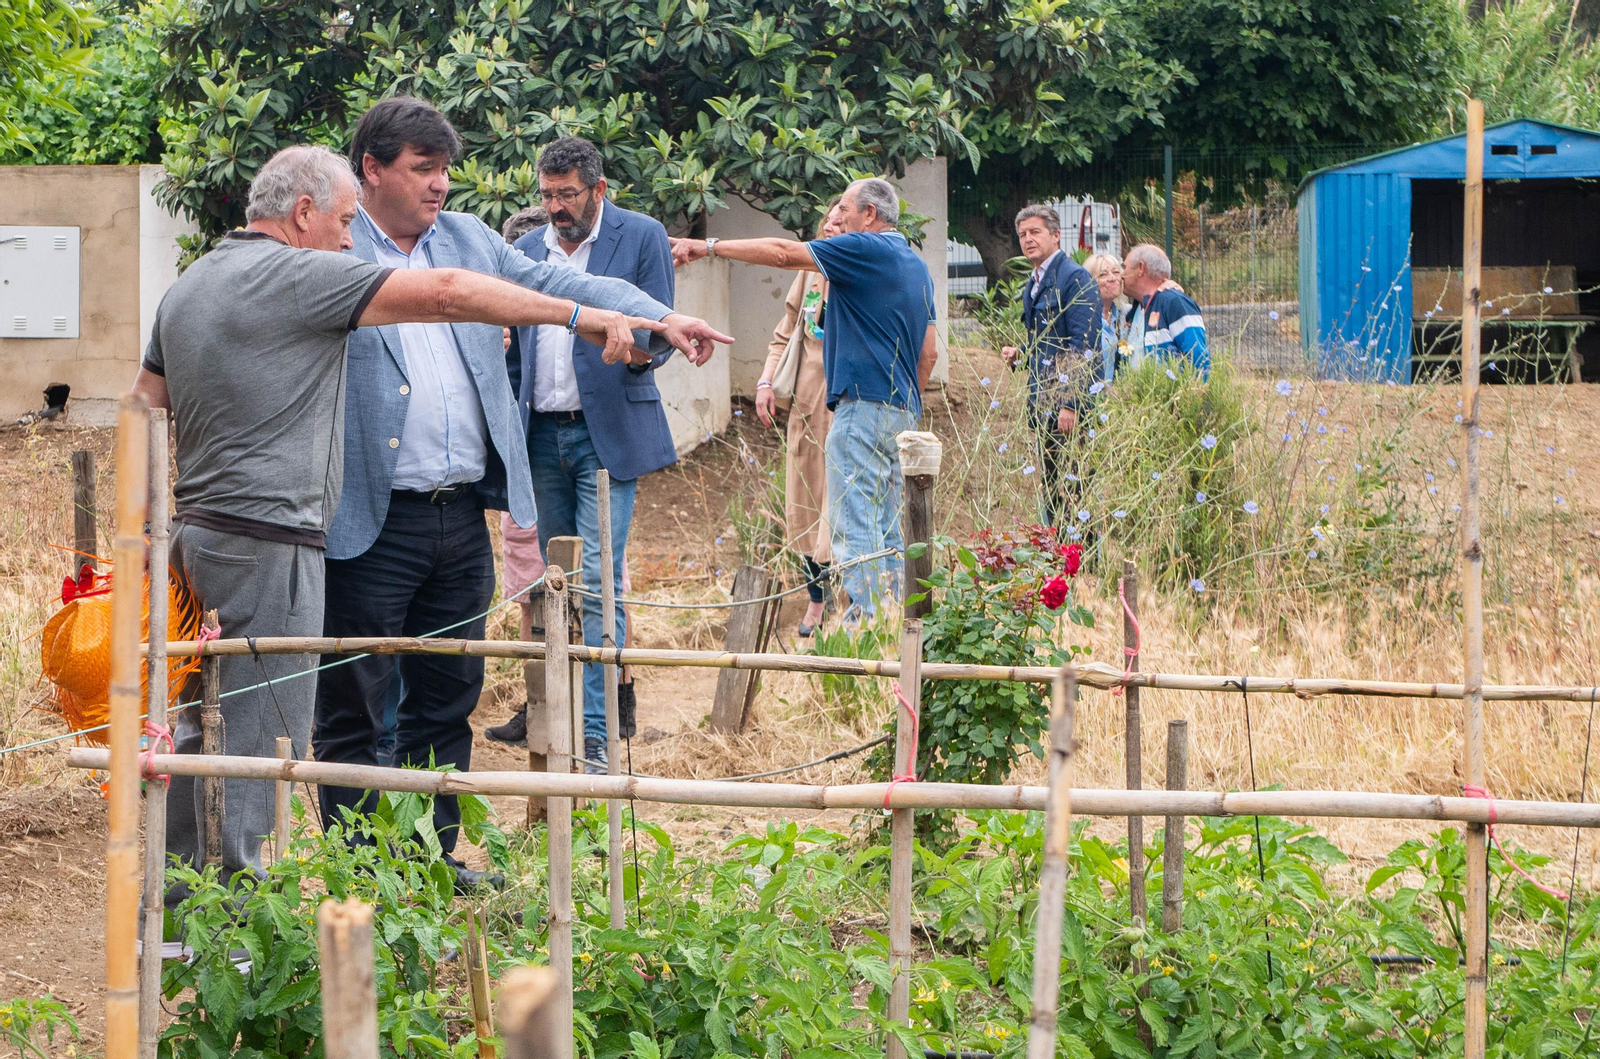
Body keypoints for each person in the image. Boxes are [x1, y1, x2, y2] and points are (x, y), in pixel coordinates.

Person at [130, 144, 693, 893]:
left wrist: (139, 529)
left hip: (196, 535)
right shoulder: (300, 274)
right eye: (337, 222)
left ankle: (177, 899)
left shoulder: (191, 283)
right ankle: (233, 915)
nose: (344, 237)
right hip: (273, 539)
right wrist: (584, 317)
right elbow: (452, 292)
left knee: (205, 713)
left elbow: (143, 405)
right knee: (264, 732)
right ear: (302, 214)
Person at [311, 100, 732, 891]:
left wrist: (660, 314)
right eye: (420, 170)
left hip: (463, 511)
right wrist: (589, 313)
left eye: (444, 171)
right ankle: (364, 879)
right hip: (369, 512)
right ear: (371, 168)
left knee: (447, 693)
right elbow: (435, 300)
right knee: (359, 701)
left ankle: (431, 864)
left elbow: (558, 278)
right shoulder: (335, 244)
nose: (439, 186)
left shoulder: (470, 236)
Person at [490, 137, 690, 774]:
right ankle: (560, 721)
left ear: (598, 190)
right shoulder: (524, 250)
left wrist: (630, 349)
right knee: (557, 588)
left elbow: (658, 336)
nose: (555, 207)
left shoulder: (643, 236)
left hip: (606, 434)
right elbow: (517, 351)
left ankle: (598, 738)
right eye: (547, 195)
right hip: (541, 434)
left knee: (601, 581)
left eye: (567, 194)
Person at [672, 177, 938, 623]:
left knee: (855, 530)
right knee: (890, 529)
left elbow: (782, 253)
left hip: (860, 409)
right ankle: (899, 631)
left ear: (869, 215)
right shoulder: (914, 265)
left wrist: (709, 247)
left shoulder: (863, 249)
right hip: (901, 411)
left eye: (845, 211)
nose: (838, 219)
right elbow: (928, 353)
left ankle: (866, 633)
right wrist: (903, 402)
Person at [755, 198, 842, 636]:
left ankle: (850, 599)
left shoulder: (862, 273)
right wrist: (765, 383)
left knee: (843, 506)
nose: (830, 227)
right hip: (806, 409)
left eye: (839, 222)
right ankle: (815, 599)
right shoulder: (810, 272)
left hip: (849, 407)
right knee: (804, 504)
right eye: (826, 220)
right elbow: (784, 333)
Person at [999, 205, 1100, 527]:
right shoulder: (1036, 279)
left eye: (1035, 232)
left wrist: (1070, 404)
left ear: (1056, 235)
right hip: (1043, 406)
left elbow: (1083, 345)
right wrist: (1023, 353)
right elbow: (1049, 339)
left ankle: (1086, 572)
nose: (1028, 240)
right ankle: (1061, 569)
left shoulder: (1074, 277)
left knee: (1074, 495)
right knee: (1055, 495)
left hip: (1067, 410)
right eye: (1022, 235)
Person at [1120, 243, 1209, 378]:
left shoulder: (1174, 302)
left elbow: (1198, 358)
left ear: (1140, 268)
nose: (1121, 275)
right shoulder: (1136, 309)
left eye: (1124, 267)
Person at [1083, 252, 1131, 387]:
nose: (1112, 278)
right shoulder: (1083, 318)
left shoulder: (1127, 313)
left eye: (1116, 272)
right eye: (1103, 274)